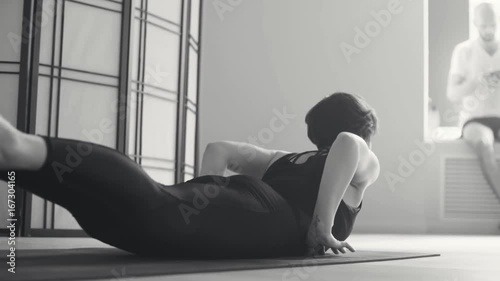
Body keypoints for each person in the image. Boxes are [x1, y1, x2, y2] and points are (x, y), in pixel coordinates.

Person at [0, 92, 379, 259]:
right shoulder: (361, 162)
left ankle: (12, 163)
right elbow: (348, 141)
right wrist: (321, 226)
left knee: (121, 224)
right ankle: (21, 148)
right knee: (153, 207)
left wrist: (205, 191)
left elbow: (219, 150)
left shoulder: (286, 158)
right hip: (267, 213)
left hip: (245, 202)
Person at [447, 2, 500, 201]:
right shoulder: (464, 51)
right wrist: (477, 82)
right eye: (484, 25)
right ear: (475, 23)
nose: (489, 30)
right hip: (475, 119)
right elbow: (453, 94)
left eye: (493, 25)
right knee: (484, 145)